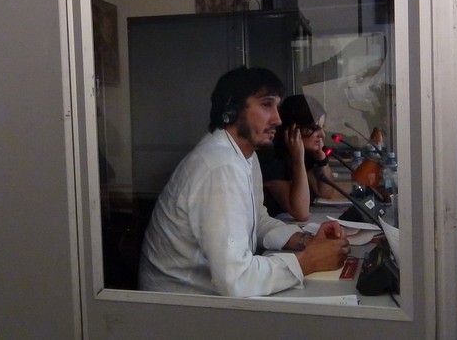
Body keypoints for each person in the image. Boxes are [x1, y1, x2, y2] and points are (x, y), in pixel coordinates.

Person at [138, 66, 349, 297]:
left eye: (277, 107)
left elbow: (257, 220)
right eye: (266, 105)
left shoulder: (245, 155)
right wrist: (307, 261)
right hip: (180, 306)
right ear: (232, 110)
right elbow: (236, 280)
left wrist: (306, 241)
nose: (278, 119)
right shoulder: (220, 165)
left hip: (208, 299)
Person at [259, 94, 345, 222]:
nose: (322, 135)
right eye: (315, 128)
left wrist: (322, 159)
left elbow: (325, 192)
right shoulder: (271, 156)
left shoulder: (307, 152)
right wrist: (298, 160)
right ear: (293, 129)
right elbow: (301, 213)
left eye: (322, 128)